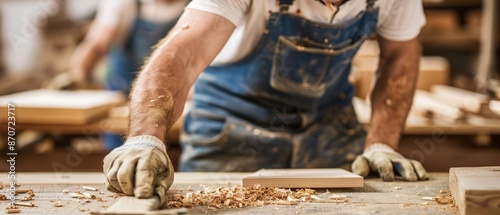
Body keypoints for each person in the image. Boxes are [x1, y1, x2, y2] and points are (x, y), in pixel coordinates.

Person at [103, 0, 429, 206]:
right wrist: (146, 138)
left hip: (327, 129)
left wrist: (382, 144)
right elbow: (182, 53)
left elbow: (400, 55)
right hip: (233, 127)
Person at [68, 0, 189, 150]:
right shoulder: (124, 3)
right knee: (119, 156)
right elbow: (97, 45)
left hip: (173, 101)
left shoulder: (197, 6)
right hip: (124, 99)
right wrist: (75, 76)